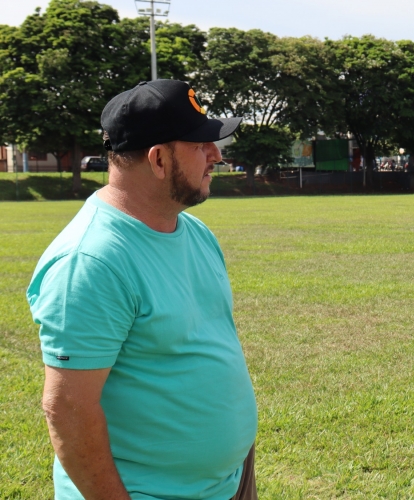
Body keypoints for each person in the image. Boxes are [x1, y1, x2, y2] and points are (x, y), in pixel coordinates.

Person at [27, 79, 258, 500]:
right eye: (200, 145)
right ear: (157, 159)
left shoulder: (195, 232)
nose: (216, 156)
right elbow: (68, 410)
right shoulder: (92, 261)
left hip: (227, 483)